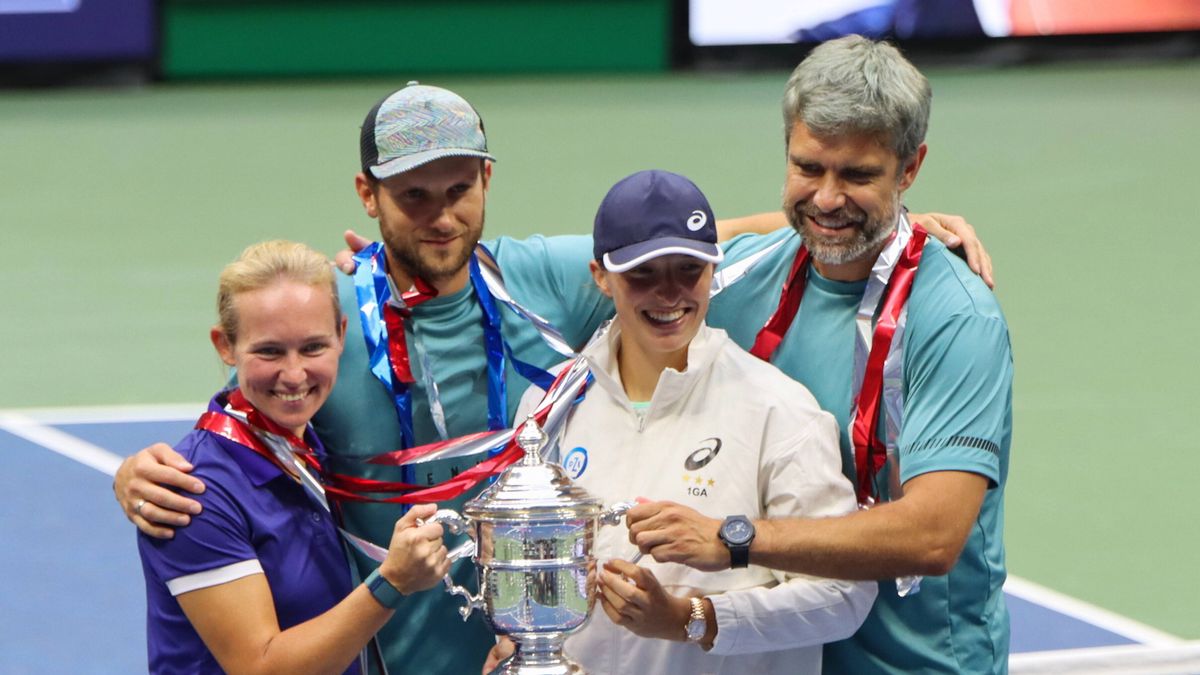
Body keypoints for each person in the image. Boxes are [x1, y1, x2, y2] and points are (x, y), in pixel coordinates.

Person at [114, 82, 993, 673]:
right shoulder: (331, 312)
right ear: (366, 195)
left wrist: (889, 228)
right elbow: (260, 393)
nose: (441, 214)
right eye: (412, 196)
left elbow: (675, 246)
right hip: (390, 653)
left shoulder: (540, 278)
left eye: (458, 188)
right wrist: (139, 473)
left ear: (488, 180)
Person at [624, 35, 1013, 673]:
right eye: (809, 168)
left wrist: (732, 539)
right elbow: (636, 249)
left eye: (859, 176)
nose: (829, 197)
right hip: (772, 657)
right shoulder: (732, 278)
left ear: (909, 169)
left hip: (916, 665)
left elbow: (934, 534)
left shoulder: (954, 317)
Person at [485, 169, 876, 674]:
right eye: (643, 273)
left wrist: (692, 619)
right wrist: (515, 638)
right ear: (601, 276)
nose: (669, 294)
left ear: (713, 270)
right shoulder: (548, 404)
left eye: (688, 269)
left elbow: (845, 594)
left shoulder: (778, 411)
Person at [136, 240, 450, 674]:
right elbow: (260, 667)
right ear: (225, 346)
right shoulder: (192, 492)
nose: (295, 375)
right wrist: (392, 581)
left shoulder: (305, 448)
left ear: (342, 336)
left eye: (313, 347)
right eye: (269, 351)